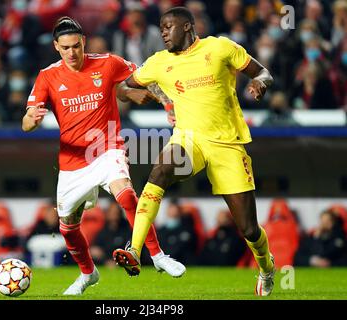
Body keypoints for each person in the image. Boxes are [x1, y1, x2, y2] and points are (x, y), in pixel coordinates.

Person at [113, 6, 276, 296]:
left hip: (227, 144)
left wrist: (258, 82)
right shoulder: (158, 62)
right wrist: (152, 97)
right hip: (189, 139)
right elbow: (123, 88)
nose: (163, 32)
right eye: (161, 27)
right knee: (160, 171)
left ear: (187, 27)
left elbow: (262, 72)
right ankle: (135, 250)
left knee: (249, 229)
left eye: (168, 26)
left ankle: (266, 267)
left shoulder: (220, 47)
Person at [21, 17, 185, 296]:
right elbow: (25, 123)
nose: (72, 53)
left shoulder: (108, 62)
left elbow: (145, 79)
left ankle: (157, 256)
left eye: (76, 46)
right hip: (72, 162)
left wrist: (166, 102)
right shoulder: (47, 76)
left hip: (106, 146)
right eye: (65, 48)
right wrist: (32, 120)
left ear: (83, 41)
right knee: (68, 228)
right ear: (56, 47)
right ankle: (88, 273)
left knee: (126, 194)